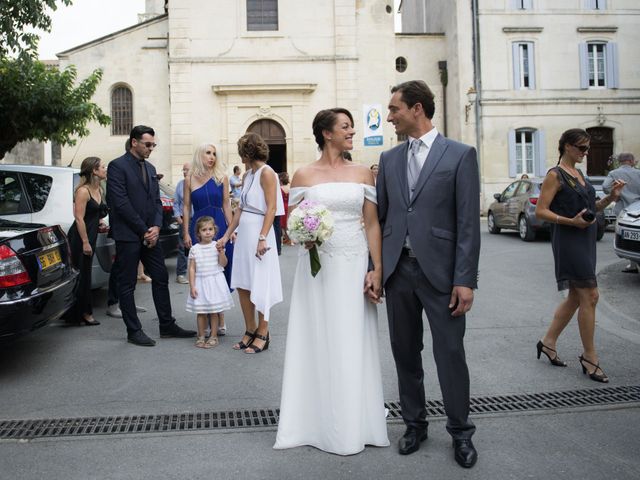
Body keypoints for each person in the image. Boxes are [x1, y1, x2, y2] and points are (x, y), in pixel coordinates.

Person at [376, 80, 480, 468]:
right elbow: (384, 218)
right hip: (399, 272)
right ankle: (414, 425)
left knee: (450, 353)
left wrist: (465, 279)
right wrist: (378, 269)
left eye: (395, 109)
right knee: (405, 352)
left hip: (443, 274)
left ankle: (461, 432)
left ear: (416, 108)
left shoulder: (460, 154)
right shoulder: (389, 160)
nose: (390, 116)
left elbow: (468, 223)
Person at [274, 108, 389, 455]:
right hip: (318, 268)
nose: (351, 131)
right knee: (317, 335)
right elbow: (293, 224)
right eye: (345, 126)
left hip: (354, 263)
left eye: (352, 126)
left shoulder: (363, 174)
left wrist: (377, 269)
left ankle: (357, 422)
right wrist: (301, 235)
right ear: (326, 133)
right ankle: (312, 421)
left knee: (351, 336)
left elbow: (371, 224)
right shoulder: (304, 174)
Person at [535, 128, 624, 383]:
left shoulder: (580, 174)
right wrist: (569, 222)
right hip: (568, 239)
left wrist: (610, 197)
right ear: (567, 147)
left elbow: (590, 208)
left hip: (585, 238)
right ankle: (589, 356)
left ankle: (548, 342)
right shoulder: (556, 175)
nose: (586, 153)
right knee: (590, 295)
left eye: (587, 148)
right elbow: (541, 211)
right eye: (582, 148)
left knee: (576, 297)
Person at [106, 125, 196, 346]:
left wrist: (156, 226)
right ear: (134, 142)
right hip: (128, 235)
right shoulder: (117, 166)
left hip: (151, 234)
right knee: (127, 284)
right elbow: (121, 203)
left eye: (153, 145)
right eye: (148, 144)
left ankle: (166, 325)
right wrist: (143, 229)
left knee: (161, 276)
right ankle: (133, 331)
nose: (151, 148)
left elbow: (156, 201)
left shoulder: (150, 168)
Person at [218, 133, 284, 354]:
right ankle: (250, 330)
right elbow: (240, 209)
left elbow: (272, 208)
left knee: (261, 281)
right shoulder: (247, 175)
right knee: (244, 283)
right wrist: (227, 235)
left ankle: (264, 333)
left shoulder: (267, 173)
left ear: (247, 152)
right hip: (245, 233)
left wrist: (263, 237)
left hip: (260, 233)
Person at [183, 143, 234, 336]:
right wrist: (186, 232)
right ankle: (203, 314)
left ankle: (220, 316)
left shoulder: (222, 177)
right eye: (208, 153)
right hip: (199, 227)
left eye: (214, 154)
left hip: (219, 225)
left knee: (219, 270)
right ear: (199, 154)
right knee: (202, 270)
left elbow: (226, 205)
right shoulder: (190, 178)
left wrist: (230, 229)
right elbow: (187, 207)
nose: (212, 157)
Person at [65, 156, 108, 326]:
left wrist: (99, 221)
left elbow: (93, 214)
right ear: (94, 171)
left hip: (90, 235)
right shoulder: (83, 191)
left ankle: (81, 311)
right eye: (102, 167)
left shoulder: (99, 190)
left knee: (86, 274)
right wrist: (85, 242)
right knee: (82, 275)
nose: (105, 169)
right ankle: (83, 313)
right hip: (79, 238)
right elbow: (79, 218)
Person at [186, 216, 234, 349]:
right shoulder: (195, 249)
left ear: (214, 230)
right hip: (201, 282)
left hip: (215, 282)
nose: (207, 232)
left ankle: (213, 336)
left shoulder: (217, 246)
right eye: (204, 230)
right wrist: (192, 286)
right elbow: (192, 268)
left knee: (214, 311)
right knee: (201, 311)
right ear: (198, 233)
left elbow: (223, 264)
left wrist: (221, 253)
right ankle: (201, 335)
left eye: (210, 229)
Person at [603, 152, 640, 273]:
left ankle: (633, 264)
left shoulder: (614, 173)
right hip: (637, 208)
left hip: (622, 209)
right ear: (631, 161)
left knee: (626, 237)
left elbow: (605, 187)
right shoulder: (638, 173)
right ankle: (634, 264)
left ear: (620, 161)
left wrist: (615, 195)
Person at [174, 162, 191, 284]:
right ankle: (181, 274)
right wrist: (177, 216)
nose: (184, 172)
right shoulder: (180, 185)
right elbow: (176, 203)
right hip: (183, 219)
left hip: (196, 220)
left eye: (187, 169)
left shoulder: (196, 183)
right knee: (183, 248)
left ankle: (198, 274)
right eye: (183, 170)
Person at [278, 172, 292, 245]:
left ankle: (285, 238)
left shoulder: (280, 188)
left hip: (282, 206)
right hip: (289, 205)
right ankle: (290, 239)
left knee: (282, 224)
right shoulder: (290, 188)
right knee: (288, 222)